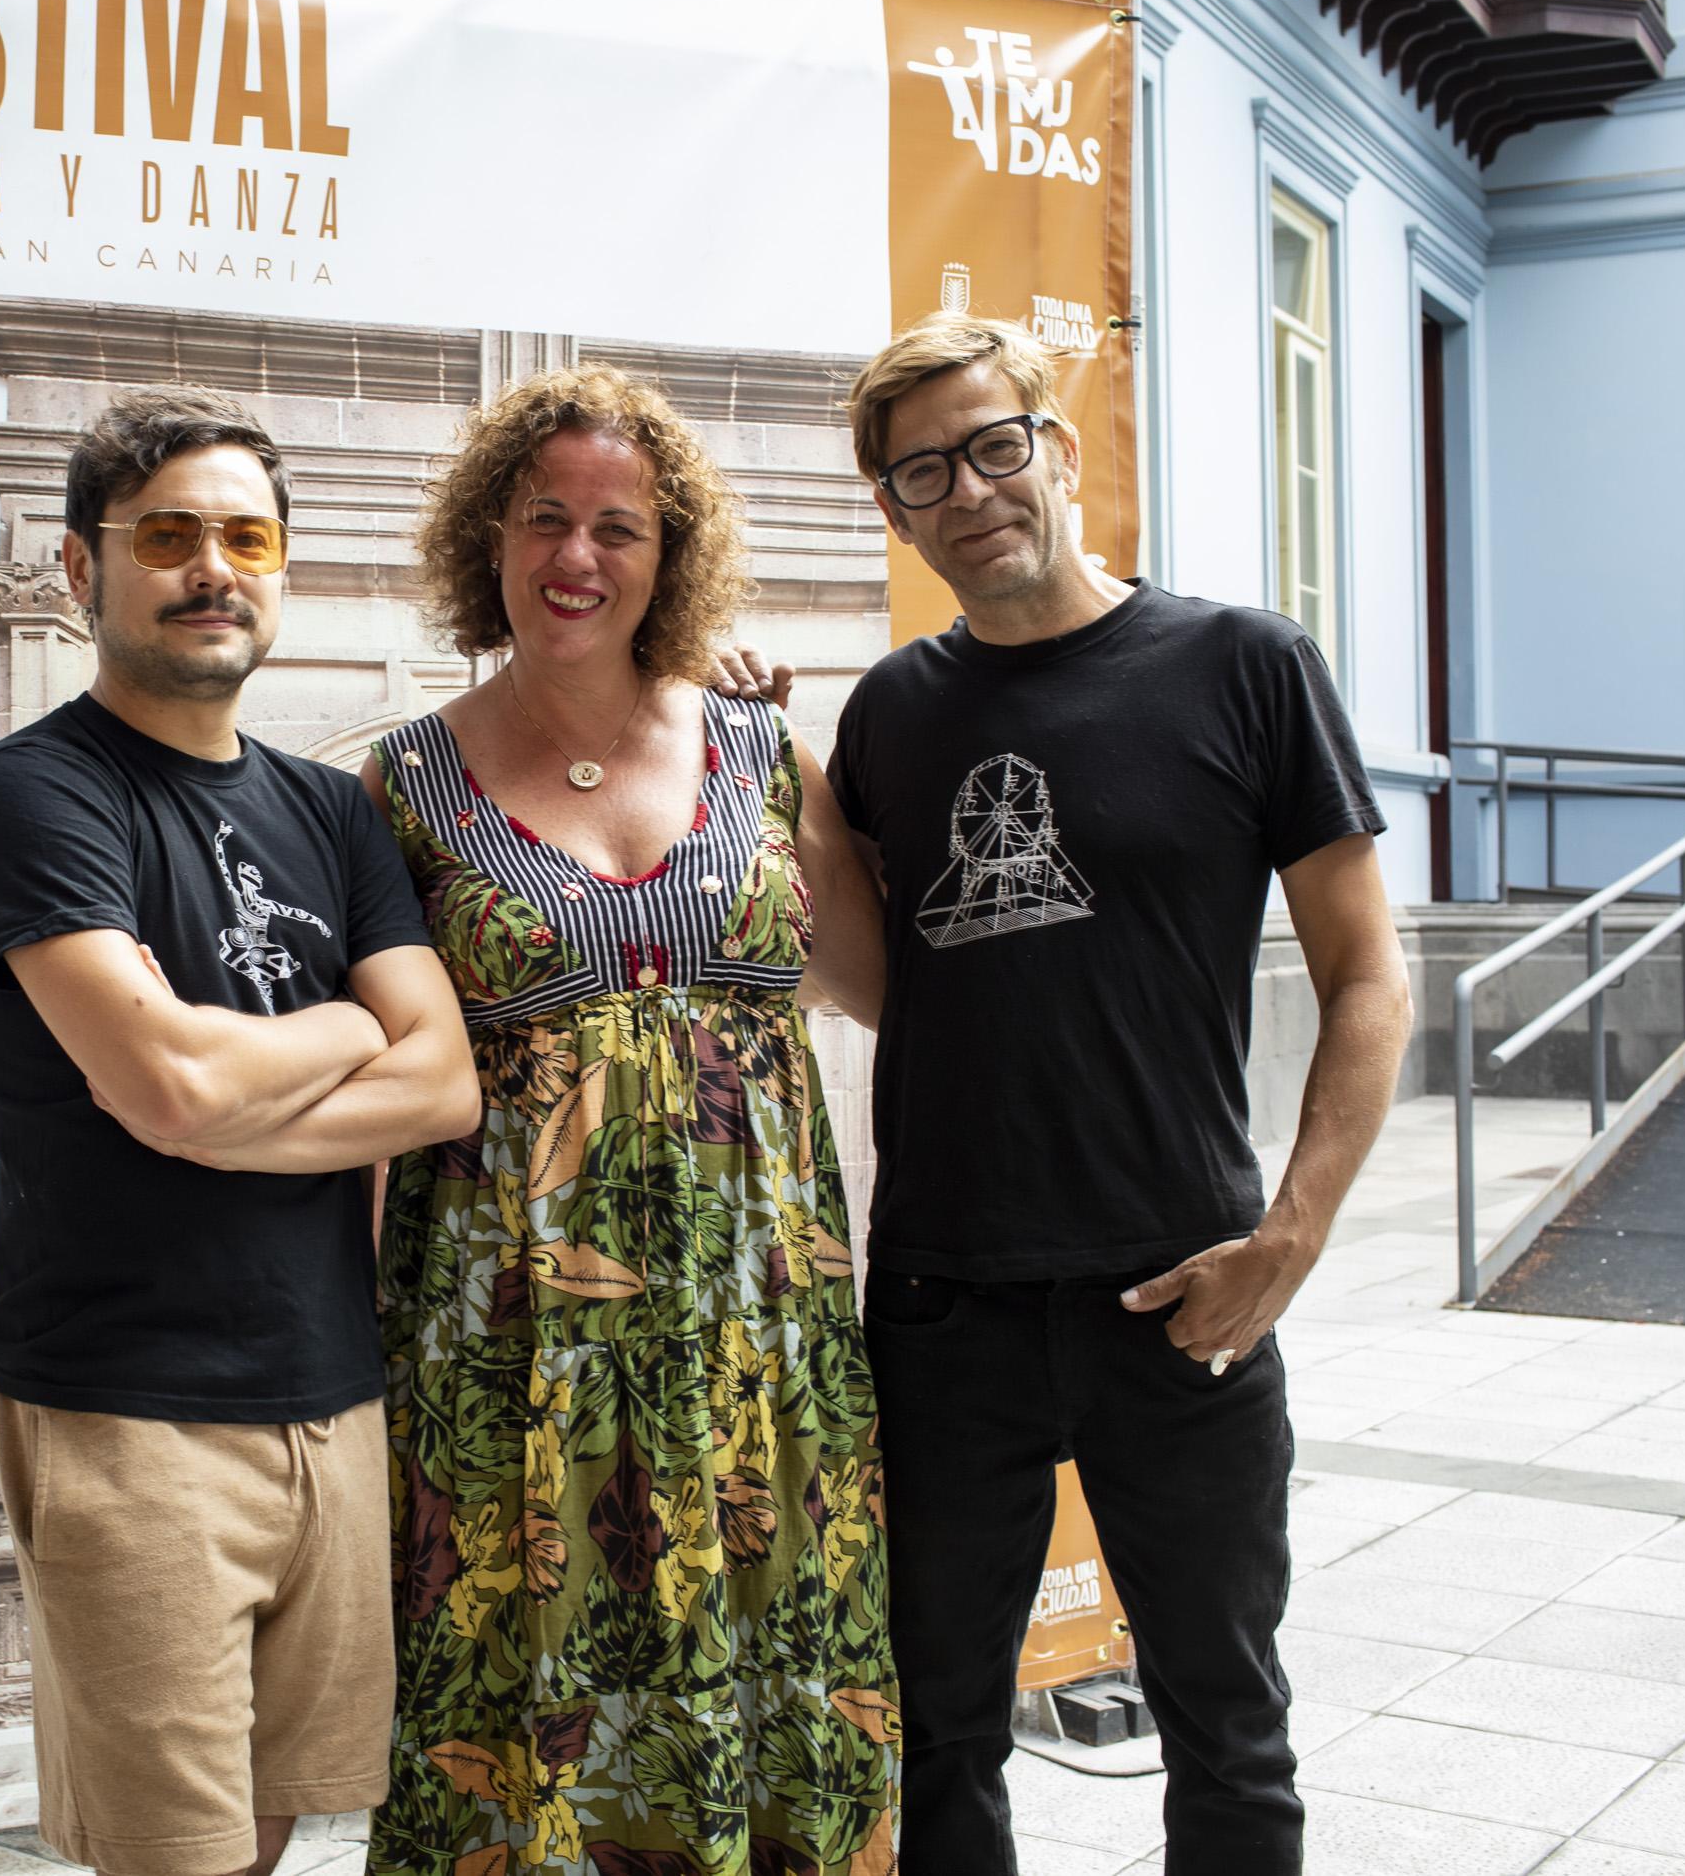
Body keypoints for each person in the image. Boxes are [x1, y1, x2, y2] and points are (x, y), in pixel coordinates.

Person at [826, 315, 1413, 1871]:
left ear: (1060, 448)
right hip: (945, 1305)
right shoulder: (890, 714)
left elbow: (1368, 974)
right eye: (919, 476)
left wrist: (1288, 1240)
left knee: (1226, 1726)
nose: (967, 493)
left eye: (993, 446)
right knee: (937, 1724)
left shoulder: (1244, 666)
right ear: (897, 511)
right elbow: (900, 982)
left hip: (1182, 1290)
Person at [0, 385, 481, 1876]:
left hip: (333, 1389)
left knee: (279, 1812)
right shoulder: (32, 796)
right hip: (128, 1404)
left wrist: (227, 1091)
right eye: (166, 535)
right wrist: (347, 1025)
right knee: (173, 1851)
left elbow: (445, 1087)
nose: (210, 567)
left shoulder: (333, 810)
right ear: (78, 571)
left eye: (246, 536)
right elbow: (167, 1087)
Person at [362, 366, 901, 1873]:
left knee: (781, 1671)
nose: (577, 557)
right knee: (532, 1705)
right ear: (491, 540)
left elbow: (871, 983)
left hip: (761, 1337)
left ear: (673, 562)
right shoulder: (402, 789)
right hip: (518, 1354)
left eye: (621, 527)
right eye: (545, 519)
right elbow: (378, 1080)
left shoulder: (762, 759)